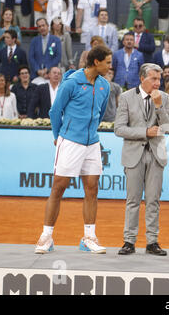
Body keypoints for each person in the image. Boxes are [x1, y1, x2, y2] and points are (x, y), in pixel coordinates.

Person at [34, 45, 112, 254]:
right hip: (69, 142)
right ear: (96, 62)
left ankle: (89, 237)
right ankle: (46, 237)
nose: (110, 66)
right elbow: (55, 111)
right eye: (108, 62)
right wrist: (58, 137)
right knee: (58, 187)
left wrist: (90, 136)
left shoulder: (105, 86)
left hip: (92, 143)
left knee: (92, 188)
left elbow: (100, 113)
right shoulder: (71, 83)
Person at [114, 63, 169, 256]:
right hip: (133, 155)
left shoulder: (164, 97)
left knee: (153, 200)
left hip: (156, 155)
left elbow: (168, 128)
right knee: (133, 200)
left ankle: (152, 241)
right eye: (153, 79)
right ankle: (129, 241)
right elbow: (119, 128)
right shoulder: (126, 97)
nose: (157, 83)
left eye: (159, 79)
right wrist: (145, 132)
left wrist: (158, 107)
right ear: (142, 78)